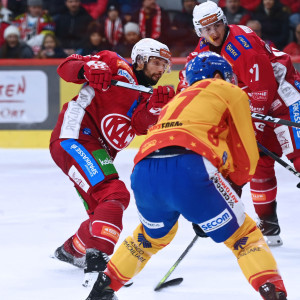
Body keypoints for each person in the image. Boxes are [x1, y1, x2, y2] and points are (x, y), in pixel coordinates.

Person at [84, 52, 288, 300]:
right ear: (217, 75)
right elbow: (246, 155)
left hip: (144, 172)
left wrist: (209, 201)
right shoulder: (228, 90)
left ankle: (102, 291)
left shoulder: (176, 101)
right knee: (243, 236)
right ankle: (274, 293)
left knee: (148, 239)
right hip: (191, 168)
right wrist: (229, 188)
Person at [50, 38, 175, 287]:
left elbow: (140, 125)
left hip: (98, 152)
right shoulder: (113, 63)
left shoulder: (146, 97)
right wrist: (88, 69)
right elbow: (66, 67)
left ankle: (71, 250)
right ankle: (97, 266)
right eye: (157, 63)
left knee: (102, 213)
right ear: (140, 60)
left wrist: (157, 107)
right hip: (74, 136)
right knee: (114, 194)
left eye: (165, 65)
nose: (161, 70)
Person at [177, 0, 300, 247]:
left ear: (223, 21)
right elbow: (188, 79)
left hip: (283, 97)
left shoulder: (242, 45)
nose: (212, 33)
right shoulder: (204, 48)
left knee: (298, 154)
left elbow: (263, 89)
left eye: (215, 26)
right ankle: (269, 225)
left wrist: (251, 130)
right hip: (253, 105)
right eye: (205, 29)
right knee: (259, 164)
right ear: (198, 31)